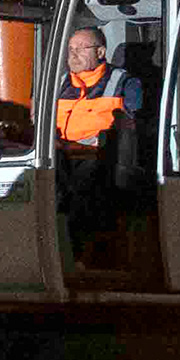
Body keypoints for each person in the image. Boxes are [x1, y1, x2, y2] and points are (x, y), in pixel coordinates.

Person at [51, 23, 149, 259]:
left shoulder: (125, 83)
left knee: (81, 189)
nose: (73, 54)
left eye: (81, 48)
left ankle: (81, 255)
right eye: (70, 48)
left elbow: (133, 130)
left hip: (101, 162)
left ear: (101, 52)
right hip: (59, 158)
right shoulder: (58, 84)